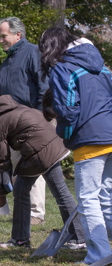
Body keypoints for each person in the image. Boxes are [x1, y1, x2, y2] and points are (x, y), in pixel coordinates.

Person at [0, 92, 85, 249]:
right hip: (50, 143)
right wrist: (1, 193)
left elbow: (3, 161)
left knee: (59, 192)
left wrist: (0, 195)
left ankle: (78, 238)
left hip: (42, 150)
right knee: (24, 190)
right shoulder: (8, 107)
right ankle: (21, 239)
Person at [40, 27, 112, 264]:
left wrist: (65, 135)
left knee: (88, 199)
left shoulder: (63, 68)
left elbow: (67, 110)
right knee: (107, 198)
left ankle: (99, 255)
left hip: (89, 140)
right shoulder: (103, 68)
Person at [0, 16, 47, 226]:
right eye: (0, 36)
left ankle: (35, 213)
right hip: (12, 121)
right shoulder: (7, 60)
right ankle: (24, 208)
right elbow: (6, 91)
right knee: (18, 166)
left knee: (33, 165)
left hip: (30, 119)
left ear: (18, 35)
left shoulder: (33, 53)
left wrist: (40, 115)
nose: (0, 40)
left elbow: (44, 85)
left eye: (4, 36)